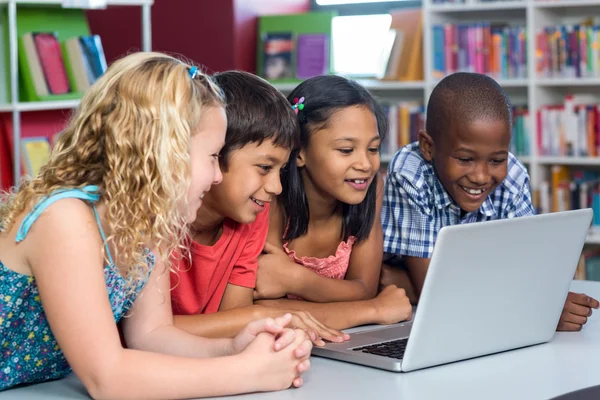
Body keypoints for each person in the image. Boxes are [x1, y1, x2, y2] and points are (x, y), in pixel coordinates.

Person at [0, 52, 311, 397]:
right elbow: (108, 377)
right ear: (165, 152)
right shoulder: (64, 218)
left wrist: (233, 348)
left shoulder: (147, 221)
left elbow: (152, 335)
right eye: (212, 157)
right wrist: (249, 373)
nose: (217, 175)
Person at [380, 72, 599, 331]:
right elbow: (431, 291)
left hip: (464, 296)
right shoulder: (410, 173)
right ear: (428, 147)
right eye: (464, 159)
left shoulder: (514, 177)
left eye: (496, 160)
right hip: (426, 319)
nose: (481, 177)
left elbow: (526, 269)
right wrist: (539, 311)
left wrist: (525, 293)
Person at [254, 75, 413, 330]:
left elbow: (364, 288)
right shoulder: (272, 198)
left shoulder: (371, 188)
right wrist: (373, 310)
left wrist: (296, 279)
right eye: (346, 150)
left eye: (373, 149)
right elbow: (262, 311)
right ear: (300, 151)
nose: (365, 165)